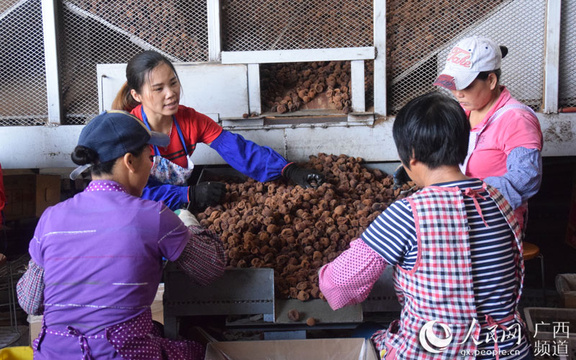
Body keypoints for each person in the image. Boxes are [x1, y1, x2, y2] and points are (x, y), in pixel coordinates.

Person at [318, 92, 532, 359]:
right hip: (509, 351)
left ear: (412, 156)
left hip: (438, 353)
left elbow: (338, 285)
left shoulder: (408, 214)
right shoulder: (499, 199)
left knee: (357, 335)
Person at [16, 110, 226, 359]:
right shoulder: (153, 215)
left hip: (53, 354)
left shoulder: (51, 217)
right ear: (129, 161)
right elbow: (210, 268)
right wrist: (189, 224)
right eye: (150, 157)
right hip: (123, 353)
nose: (151, 165)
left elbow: (30, 301)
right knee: (199, 350)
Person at [111, 50, 324, 211]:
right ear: (136, 95)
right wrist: (187, 194)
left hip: (174, 206)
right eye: (158, 89)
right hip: (134, 211)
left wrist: (288, 170)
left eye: (173, 83)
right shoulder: (125, 132)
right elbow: (129, 193)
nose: (171, 94)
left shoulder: (190, 120)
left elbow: (238, 150)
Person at [434, 36, 543, 230]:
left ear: (491, 80)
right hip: (460, 210)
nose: (458, 93)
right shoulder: (465, 111)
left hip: (496, 220)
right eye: (453, 86)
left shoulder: (516, 119)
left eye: (466, 86)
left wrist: (468, 190)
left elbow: (526, 178)